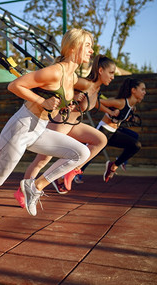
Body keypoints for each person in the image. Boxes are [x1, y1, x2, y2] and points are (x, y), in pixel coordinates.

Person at [0, 28, 94, 238]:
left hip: (38, 129)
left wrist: (66, 107)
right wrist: (42, 101)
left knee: (81, 153)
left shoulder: (71, 76)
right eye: (88, 45)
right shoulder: (55, 71)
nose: (92, 50)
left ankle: (35, 186)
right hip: (20, 128)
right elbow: (15, 85)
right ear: (74, 47)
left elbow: (53, 104)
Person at [14, 55, 117, 203]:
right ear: (100, 70)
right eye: (111, 73)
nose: (113, 77)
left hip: (73, 125)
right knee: (42, 160)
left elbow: (97, 103)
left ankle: (72, 171)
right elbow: (62, 86)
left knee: (100, 140)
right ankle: (22, 191)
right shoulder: (84, 83)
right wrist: (73, 95)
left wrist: (111, 112)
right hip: (59, 123)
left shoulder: (97, 89)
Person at [74, 77, 146, 183]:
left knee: (135, 140)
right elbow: (96, 102)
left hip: (113, 133)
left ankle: (114, 165)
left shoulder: (132, 107)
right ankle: (74, 174)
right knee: (90, 154)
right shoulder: (120, 102)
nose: (145, 92)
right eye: (142, 89)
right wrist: (110, 112)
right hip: (103, 131)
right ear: (133, 90)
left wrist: (129, 118)